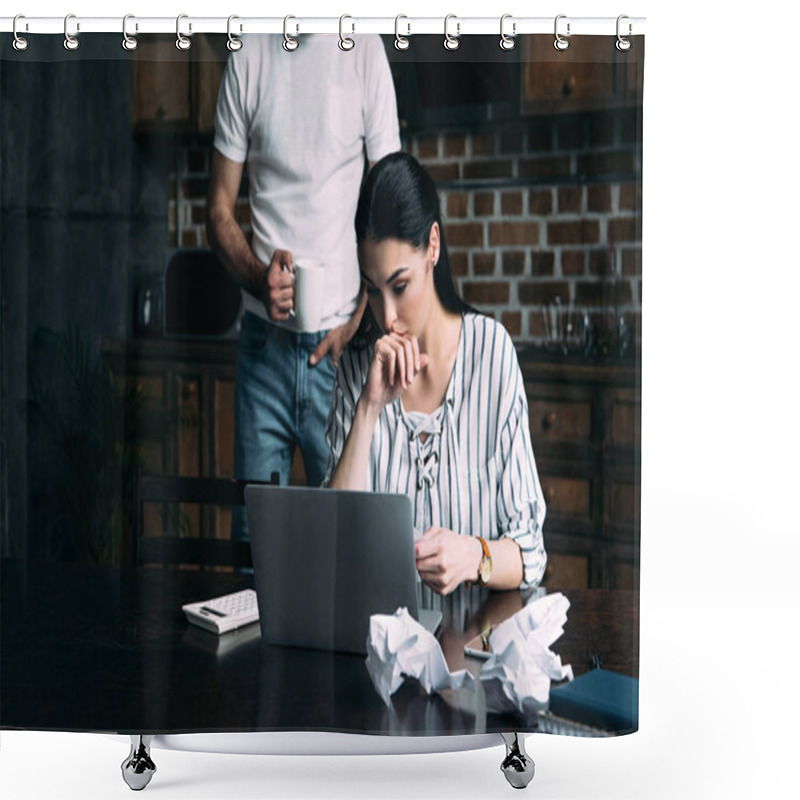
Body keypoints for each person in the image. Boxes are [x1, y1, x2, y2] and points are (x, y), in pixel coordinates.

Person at [325, 153, 546, 604]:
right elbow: (335, 548)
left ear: (433, 247)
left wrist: (472, 556)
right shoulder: (356, 370)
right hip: (379, 659)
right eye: (372, 289)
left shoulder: (491, 353)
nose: (386, 317)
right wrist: (367, 408)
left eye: (399, 285)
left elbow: (530, 552)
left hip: (474, 653)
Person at [207, 35, 400, 540]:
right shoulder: (247, 53)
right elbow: (218, 210)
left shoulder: (364, 49)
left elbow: (390, 203)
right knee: (254, 548)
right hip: (262, 350)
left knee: (348, 545)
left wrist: (361, 317)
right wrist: (257, 276)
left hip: (340, 359)